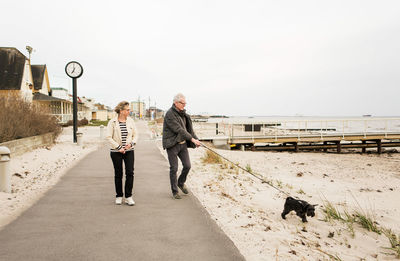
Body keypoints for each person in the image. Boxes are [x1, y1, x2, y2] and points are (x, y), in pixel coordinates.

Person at [162, 93, 201, 199]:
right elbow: (179, 130)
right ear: (176, 103)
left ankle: (180, 182)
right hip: (172, 144)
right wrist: (192, 139)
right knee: (174, 168)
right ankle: (175, 191)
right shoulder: (170, 114)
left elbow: (189, 130)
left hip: (182, 144)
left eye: (185, 103)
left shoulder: (184, 114)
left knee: (187, 166)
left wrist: (196, 140)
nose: (184, 105)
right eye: (182, 103)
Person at [106, 101, 138, 206]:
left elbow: (135, 135)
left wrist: (131, 143)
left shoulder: (131, 121)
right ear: (121, 111)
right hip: (116, 151)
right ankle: (119, 195)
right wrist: (119, 147)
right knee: (118, 174)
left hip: (129, 151)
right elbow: (108, 137)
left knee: (130, 173)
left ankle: (128, 196)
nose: (129, 111)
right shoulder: (112, 122)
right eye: (127, 109)